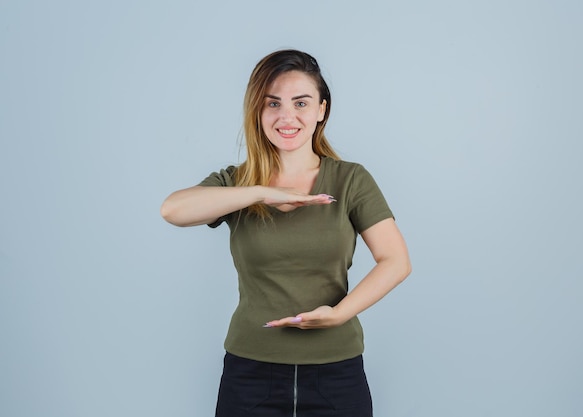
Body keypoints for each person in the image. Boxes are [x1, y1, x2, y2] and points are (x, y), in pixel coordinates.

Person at [160, 49, 411, 417]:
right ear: (257, 111)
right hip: (249, 374)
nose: (286, 116)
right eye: (273, 103)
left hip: (336, 374)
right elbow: (173, 210)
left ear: (321, 110)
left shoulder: (351, 179)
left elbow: (396, 260)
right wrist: (262, 192)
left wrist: (339, 315)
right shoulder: (236, 183)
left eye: (301, 103)